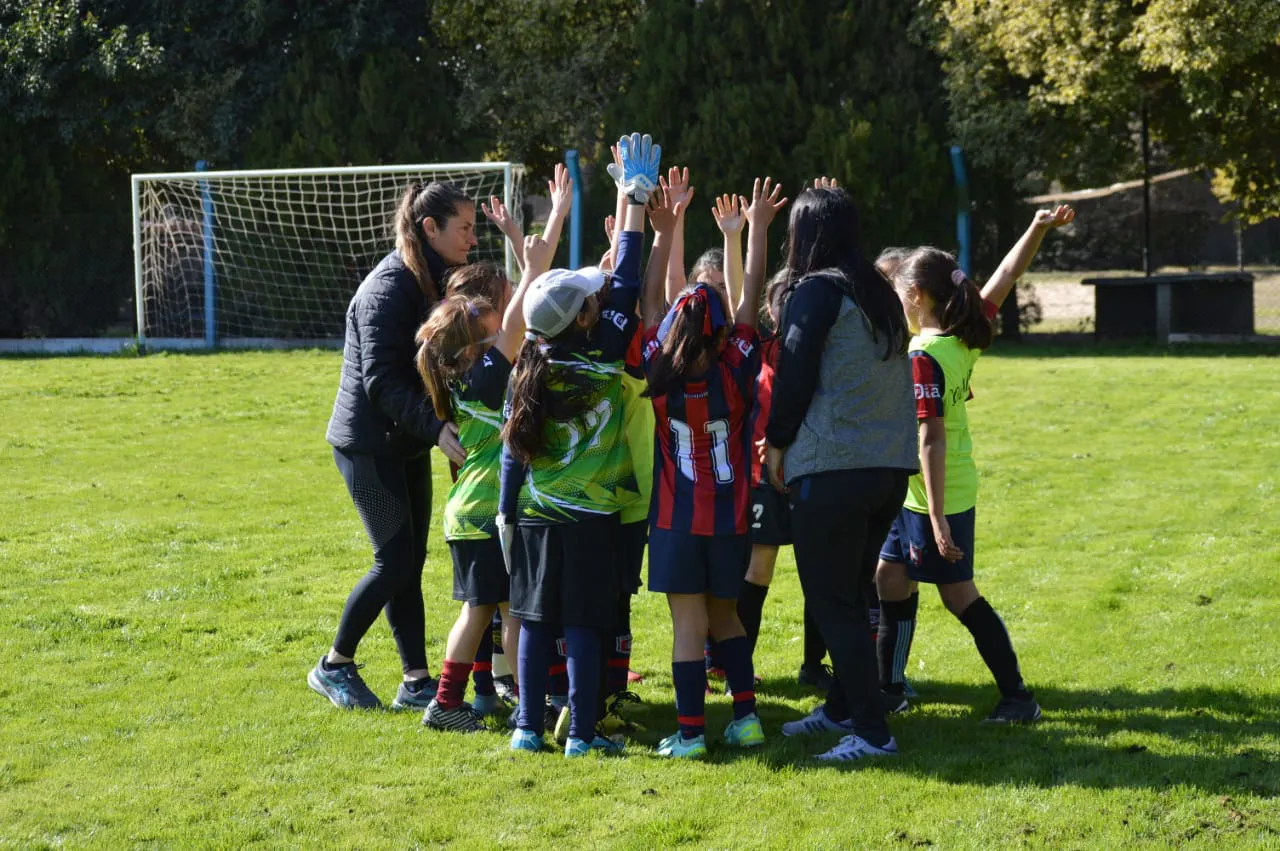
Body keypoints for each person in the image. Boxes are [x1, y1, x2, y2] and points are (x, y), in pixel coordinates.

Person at [874, 206, 1075, 723]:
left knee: (959, 595)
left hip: (937, 493)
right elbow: (1006, 277)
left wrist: (937, 519)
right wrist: (1036, 228)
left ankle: (1018, 698)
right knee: (889, 578)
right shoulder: (961, 334)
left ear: (916, 296)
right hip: (919, 493)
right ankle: (890, 689)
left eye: (898, 292)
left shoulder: (925, 354)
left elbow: (932, 439)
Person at [500, 133, 666, 757]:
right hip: (597, 516)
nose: (600, 295)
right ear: (587, 317)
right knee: (587, 626)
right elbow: (626, 267)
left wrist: (507, 511)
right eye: (591, 298)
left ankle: (526, 728)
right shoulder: (605, 343)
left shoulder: (530, 361)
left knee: (536, 623)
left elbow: (515, 449)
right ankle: (585, 735)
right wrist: (635, 198)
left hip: (539, 516)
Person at [765, 181, 919, 761]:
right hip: (886, 470)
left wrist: (777, 443)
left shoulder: (815, 291)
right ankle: (840, 707)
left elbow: (794, 374)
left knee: (834, 601)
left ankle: (874, 734)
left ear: (805, 236)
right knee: (851, 594)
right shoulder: (878, 292)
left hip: (834, 469)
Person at [309, 181, 473, 710]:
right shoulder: (389, 286)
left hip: (405, 441)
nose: (473, 238)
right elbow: (381, 381)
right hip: (367, 446)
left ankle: (415, 681)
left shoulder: (434, 277)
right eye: (465, 228)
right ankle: (333, 665)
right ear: (431, 228)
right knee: (394, 560)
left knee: (409, 559)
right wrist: (437, 427)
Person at [643, 180, 787, 759]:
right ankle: (746, 719)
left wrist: (665, 230)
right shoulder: (737, 360)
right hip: (731, 517)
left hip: (678, 521)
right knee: (726, 617)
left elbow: (652, 299)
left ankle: (691, 733)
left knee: (687, 624)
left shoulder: (659, 370)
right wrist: (752, 233)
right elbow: (749, 296)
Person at [414, 233, 555, 732]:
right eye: (492, 339)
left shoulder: (457, 375)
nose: (502, 343)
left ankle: (455, 702)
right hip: (488, 510)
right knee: (508, 614)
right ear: (475, 349)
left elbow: (509, 326)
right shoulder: (487, 374)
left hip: (466, 508)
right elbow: (516, 322)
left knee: (483, 613)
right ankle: (523, 705)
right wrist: (534, 267)